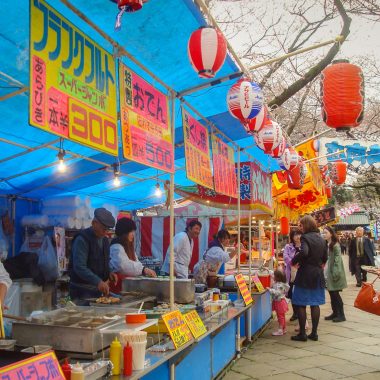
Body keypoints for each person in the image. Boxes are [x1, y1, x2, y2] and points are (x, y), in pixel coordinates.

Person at [69, 208, 118, 304]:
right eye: (104, 229)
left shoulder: (104, 240)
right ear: (94, 223)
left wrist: (109, 273)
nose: (106, 232)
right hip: (81, 291)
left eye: (108, 229)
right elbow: (79, 267)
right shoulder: (82, 239)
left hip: (96, 291)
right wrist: (98, 282)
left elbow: (105, 261)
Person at [291, 215, 327, 342]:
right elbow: (325, 257)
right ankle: (314, 333)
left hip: (305, 274)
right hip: (317, 274)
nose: (300, 227)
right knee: (315, 304)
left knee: (300, 303)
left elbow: (304, 252)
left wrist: (294, 260)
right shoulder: (322, 239)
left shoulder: (305, 237)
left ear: (306, 225)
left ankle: (302, 334)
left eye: (301, 225)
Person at [323, 226, 347, 322]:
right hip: (329, 272)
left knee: (335, 294)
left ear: (331, 234)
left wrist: (335, 273)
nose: (324, 234)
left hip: (334, 273)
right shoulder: (328, 244)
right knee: (332, 294)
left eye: (326, 233)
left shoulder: (335, 245)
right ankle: (335, 313)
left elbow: (337, 260)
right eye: (323, 233)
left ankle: (341, 315)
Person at [283, 229, 302, 321]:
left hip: (301, 272)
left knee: (299, 292)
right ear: (292, 237)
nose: (298, 237)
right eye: (295, 235)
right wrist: (293, 263)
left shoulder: (304, 246)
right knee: (291, 293)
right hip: (290, 273)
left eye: (299, 234)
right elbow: (285, 257)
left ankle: (300, 312)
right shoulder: (288, 246)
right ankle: (295, 313)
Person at [267, 270, 289, 336]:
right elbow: (272, 274)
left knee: (280, 317)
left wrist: (270, 290)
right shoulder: (280, 282)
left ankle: (280, 330)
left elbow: (278, 292)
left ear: (278, 277)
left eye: (274, 276)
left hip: (280, 302)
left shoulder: (280, 285)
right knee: (282, 316)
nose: (273, 277)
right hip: (279, 302)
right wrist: (267, 270)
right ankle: (283, 329)